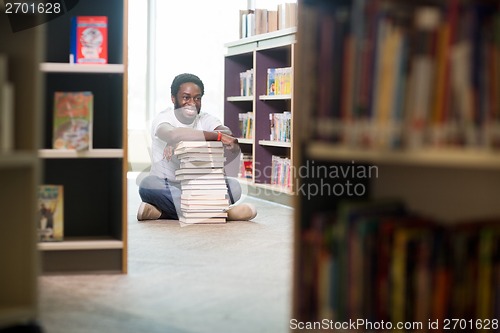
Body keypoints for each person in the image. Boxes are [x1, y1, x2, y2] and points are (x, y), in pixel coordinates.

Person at [137, 73, 257, 221]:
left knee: (234, 186)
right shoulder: (164, 118)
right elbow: (172, 134)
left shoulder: (205, 118)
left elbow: (227, 134)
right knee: (147, 184)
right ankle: (222, 213)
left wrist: (183, 137)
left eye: (197, 98)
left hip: (200, 187)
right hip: (168, 185)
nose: (192, 103)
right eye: (186, 97)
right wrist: (215, 137)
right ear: (173, 98)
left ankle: (162, 213)